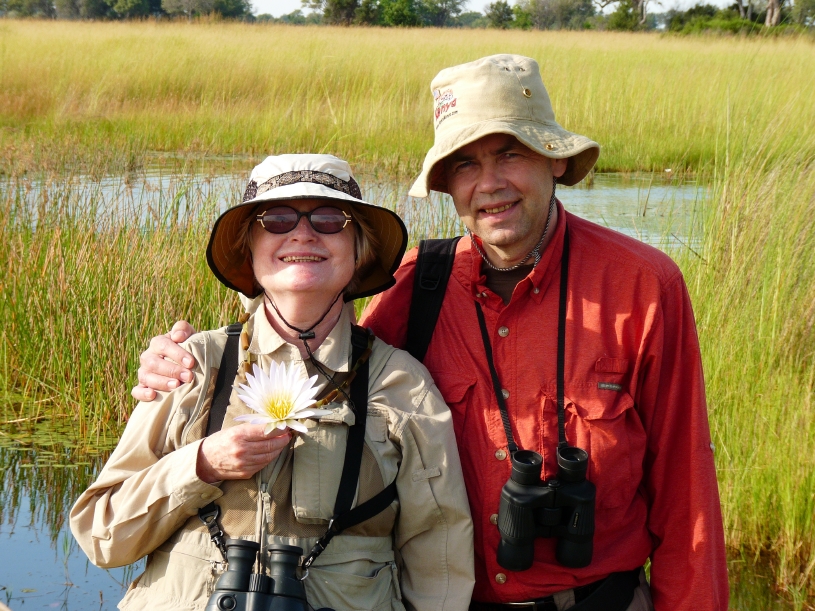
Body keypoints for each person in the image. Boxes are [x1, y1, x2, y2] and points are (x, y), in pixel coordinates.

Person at [132, 56, 729, 611]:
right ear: (446, 184)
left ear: (554, 159)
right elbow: (316, 359)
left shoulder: (642, 285)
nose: (489, 184)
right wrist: (188, 360)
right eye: (465, 163)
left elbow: (686, 491)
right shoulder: (418, 285)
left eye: (510, 153)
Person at [71, 154, 475, 611]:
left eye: (330, 219)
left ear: (359, 250)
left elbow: (439, 562)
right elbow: (101, 537)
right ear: (249, 249)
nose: (302, 234)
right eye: (277, 219)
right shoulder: (191, 364)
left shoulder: (401, 384)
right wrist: (201, 464)